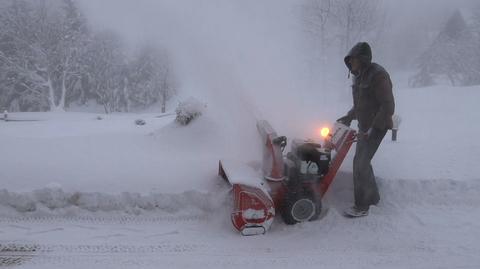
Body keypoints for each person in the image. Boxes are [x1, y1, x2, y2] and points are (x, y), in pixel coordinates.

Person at [337, 42, 395, 218]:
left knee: (360, 162)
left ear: (362, 59)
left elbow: (388, 105)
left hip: (378, 125)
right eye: (350, 60)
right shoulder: (360, 76)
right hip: (364, 126)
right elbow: (361, 105)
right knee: (361, 161)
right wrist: (348, 117)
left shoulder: (378, 75)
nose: (351, 63)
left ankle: (361, 206)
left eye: (353, 60)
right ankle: (373, 197)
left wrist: (371, 129)